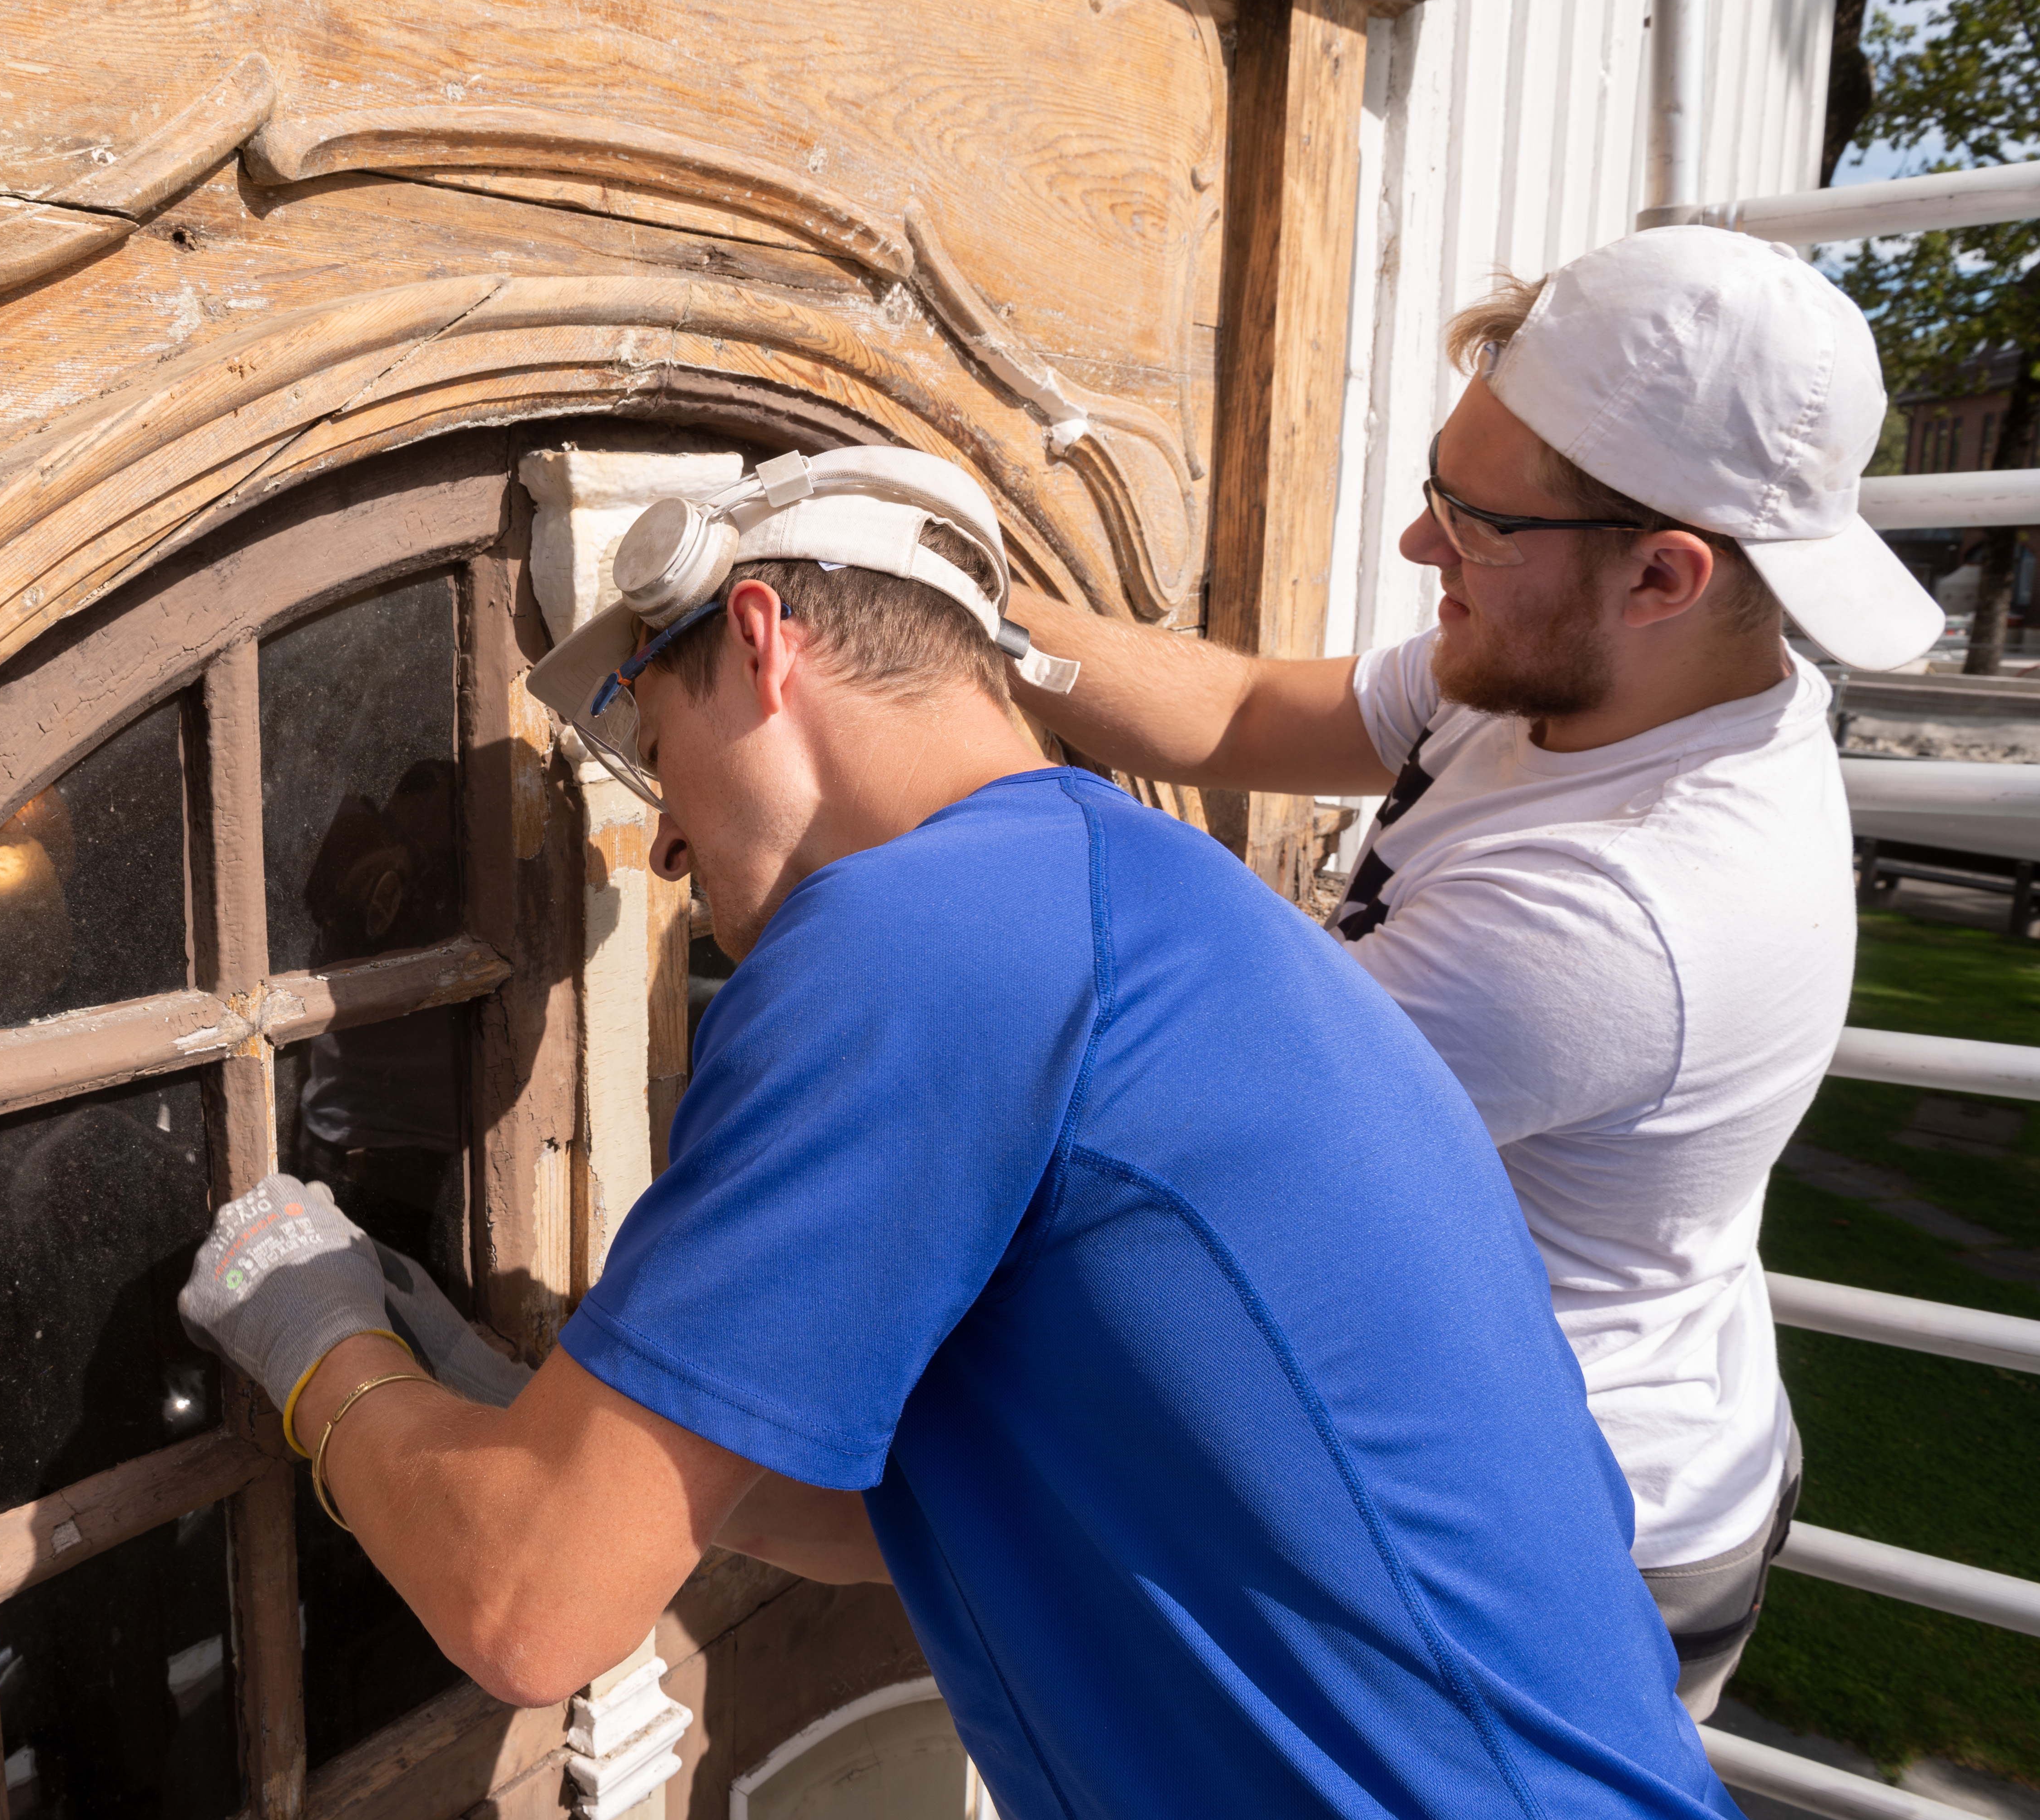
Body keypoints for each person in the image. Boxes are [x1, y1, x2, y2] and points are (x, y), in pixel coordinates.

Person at [181, 446, 1738, 1818]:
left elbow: (525, 1610)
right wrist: (506, 1422)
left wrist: (319, 1347)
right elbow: (913, 1514)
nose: (656, 837)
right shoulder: (1137, 889)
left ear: (757, 638)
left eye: (656, 749)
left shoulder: (917, 937)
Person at [1011, 226, 1947, 1717]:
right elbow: (1248, 710)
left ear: (1662, 571)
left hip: (1571, 1546)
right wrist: (960, 603)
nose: (1419, 546)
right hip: (1541, 1428)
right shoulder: (1592, 674)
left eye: (1474, 517)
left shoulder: (1620, 918)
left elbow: (1141, 1135)